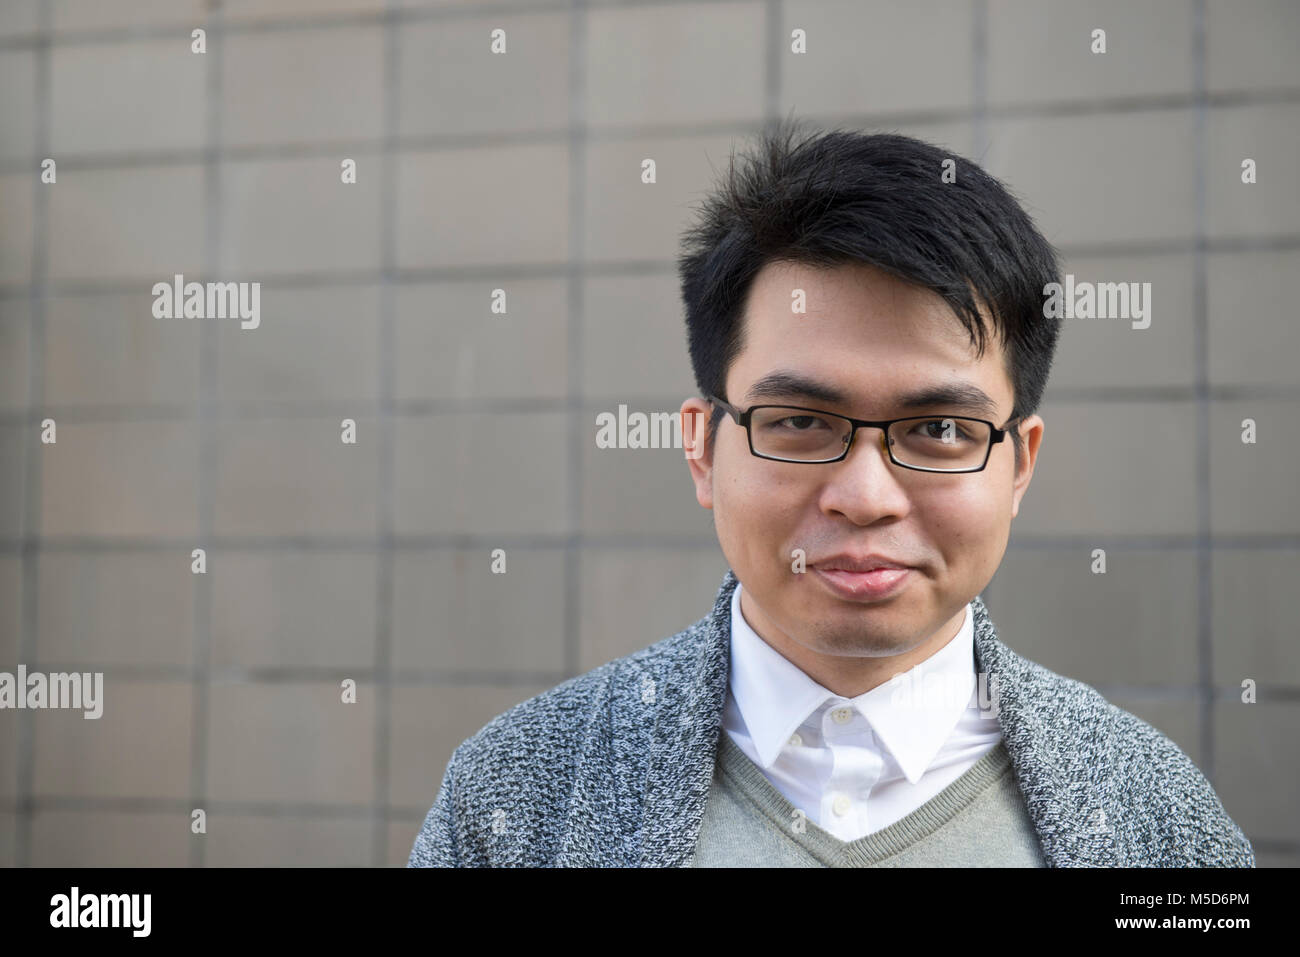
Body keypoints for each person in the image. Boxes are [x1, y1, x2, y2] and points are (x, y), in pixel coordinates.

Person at [408, 120, 1253, 867]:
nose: (865, 496)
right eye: (801, 421)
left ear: (1019, 463)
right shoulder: (519, 798)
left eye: (941, 430)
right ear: (702, 447)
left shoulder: (1153, 816)